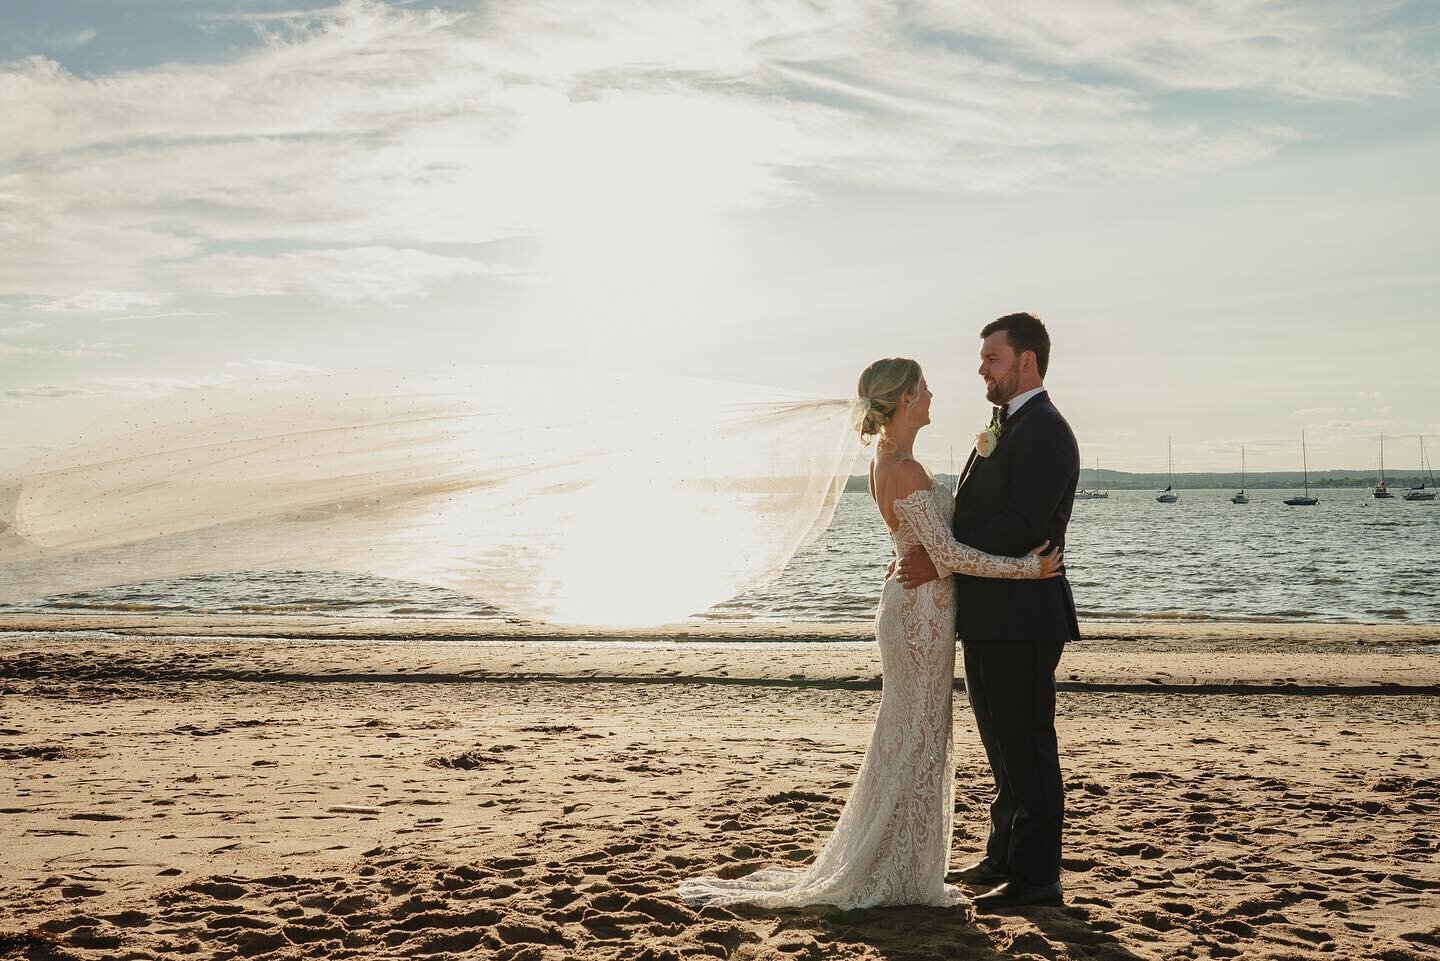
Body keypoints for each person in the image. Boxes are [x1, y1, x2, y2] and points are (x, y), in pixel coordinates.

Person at [677, 357, 1061, 910]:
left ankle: (899, 857)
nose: (932, 395)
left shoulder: (892, 460)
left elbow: (926, 546)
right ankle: (898, 865)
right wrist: (1031, 568)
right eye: (924, 388)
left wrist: (923, 556)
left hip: (912, 606)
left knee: (911, 732)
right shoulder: (902, 467)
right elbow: (948, 553)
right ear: (904, 399)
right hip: (919, 616)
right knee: (918, 734)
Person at [897, 313, 1080, 910]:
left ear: (1026, 360)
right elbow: (984, 520)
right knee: (1001, 745)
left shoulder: (1046, 432)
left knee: (1028, 743)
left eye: (991, 358)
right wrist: (940, 547)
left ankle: (1036, 877)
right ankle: (1003, 855)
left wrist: (943, 553)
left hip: (1024, 615)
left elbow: (1020, 527)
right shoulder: (1006, 425)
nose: (981, 369)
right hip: (990, 614)